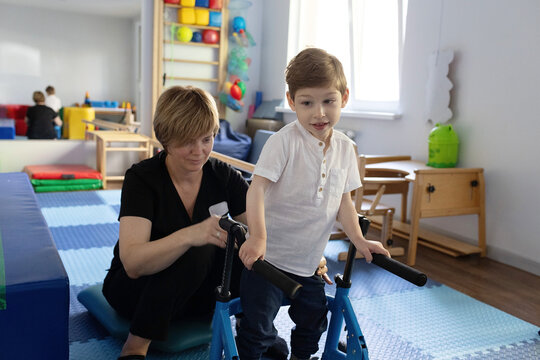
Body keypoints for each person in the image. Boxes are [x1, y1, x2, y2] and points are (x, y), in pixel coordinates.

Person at [102, 85, 329, 360]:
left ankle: (255, 327)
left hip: (198, 297)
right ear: (165, 138)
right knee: (202, 246)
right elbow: (133, 264)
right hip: (137, 295)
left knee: (244, 245)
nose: (199, 151)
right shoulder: (142, 178)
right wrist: (191, 234)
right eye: (187, 141)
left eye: (206, 139)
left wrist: (304, 255)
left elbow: (263, 233)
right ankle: (136, 345)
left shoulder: (223, 176)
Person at [236, 48, 391, 360]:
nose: (319, 113)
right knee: (257, 330)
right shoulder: (283, 142)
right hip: (268, 261)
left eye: (328, 101)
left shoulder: (347, 149)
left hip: (309, 265)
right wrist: (258, 237)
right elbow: (256, 190)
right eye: (307, 103)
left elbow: (342, 202)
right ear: (292, 102)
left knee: (313, 324)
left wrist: (359, 240)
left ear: (344, 97)